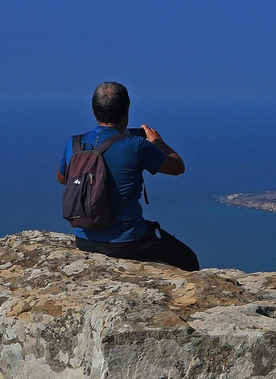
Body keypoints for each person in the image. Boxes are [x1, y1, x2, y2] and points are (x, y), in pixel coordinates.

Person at [57, 82, 200, 271]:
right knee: (187, 259)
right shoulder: (136, 145)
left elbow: (62, 178)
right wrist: (157, 142)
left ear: (93, 111)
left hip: (83, 239)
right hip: (127, 242)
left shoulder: (75, 143)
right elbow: (177, 166)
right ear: (127, 110)